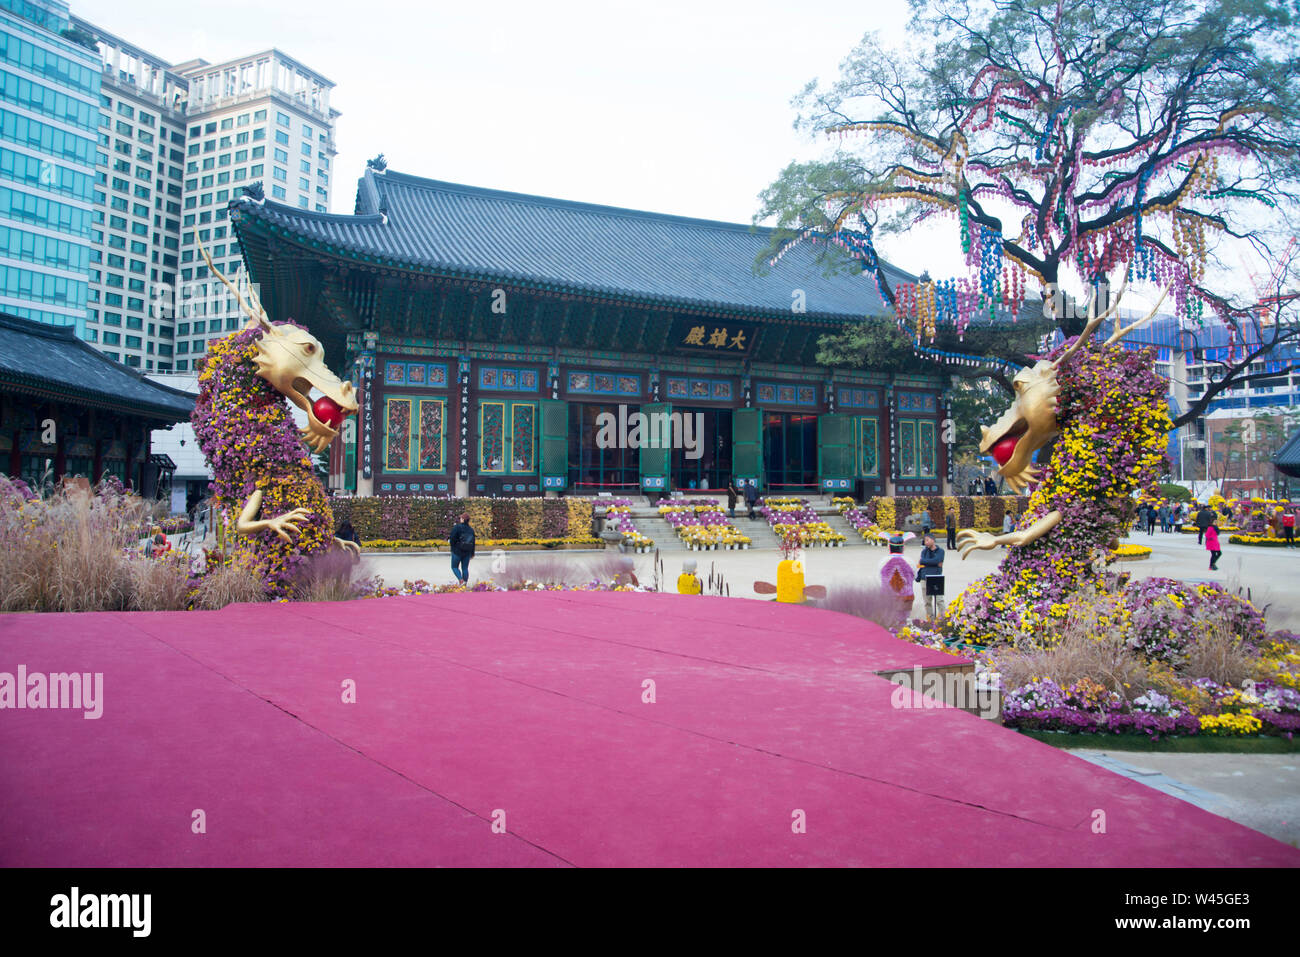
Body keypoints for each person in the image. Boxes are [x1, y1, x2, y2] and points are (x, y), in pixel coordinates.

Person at [916, 534, 945, 620]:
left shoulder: (941, 551)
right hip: (925, 578)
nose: (926, 542)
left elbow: (937, 560)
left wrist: (926, 562)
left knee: (939, 600)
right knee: (927, 601)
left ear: (933, 540)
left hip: (936, 578)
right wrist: (934, 563)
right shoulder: (924, 551)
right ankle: (930, 620)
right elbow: (922, 561)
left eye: (927, 540)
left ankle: (944, 618)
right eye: (925, 541)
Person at [448, 511, 476, 584]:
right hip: (467, 552)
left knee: (454, 567)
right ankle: (465, 583)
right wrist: (472, 553)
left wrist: (452, 548)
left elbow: (452, 538)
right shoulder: (471, 530)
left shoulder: (457, 527)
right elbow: (473, 542)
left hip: (457, 551)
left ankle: (460, 580)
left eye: (461, 518)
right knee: (465, 568)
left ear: (463, 519)